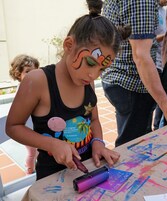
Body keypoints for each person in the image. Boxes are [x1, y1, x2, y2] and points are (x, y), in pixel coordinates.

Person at [6, 0, 130, 180]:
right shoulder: (38, 81)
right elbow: (13, 126)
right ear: (69, 45)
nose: (93, 75)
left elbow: (93, 120)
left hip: (88, 169)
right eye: (90, 63)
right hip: (52, 177)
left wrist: (98, 142)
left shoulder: (85, 80)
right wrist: (51, 144)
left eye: (101, 70)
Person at [101, 0, 167, 147]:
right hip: (131, 83)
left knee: (136, 141)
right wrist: (166, 106)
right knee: (132, 148)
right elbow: (141, 56)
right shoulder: (142, 1)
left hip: (125, 79)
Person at [9, 54, 39, 174]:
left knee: (37, 151)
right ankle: (30, 169)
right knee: (32, 152)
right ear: (18, 74)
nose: (32, 74)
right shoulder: (22, 89)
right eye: (27, 71)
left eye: (35, 71)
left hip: (34, 127)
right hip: (26, 129)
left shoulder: (35, 86)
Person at [153, 0, 167, 130]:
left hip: (163, 61)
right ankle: (156, 126)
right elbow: (149, 41)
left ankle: (157, 127)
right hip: (153, 62)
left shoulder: (164, 11)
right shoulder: (149, 8)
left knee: (159, 99)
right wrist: (165, 36)